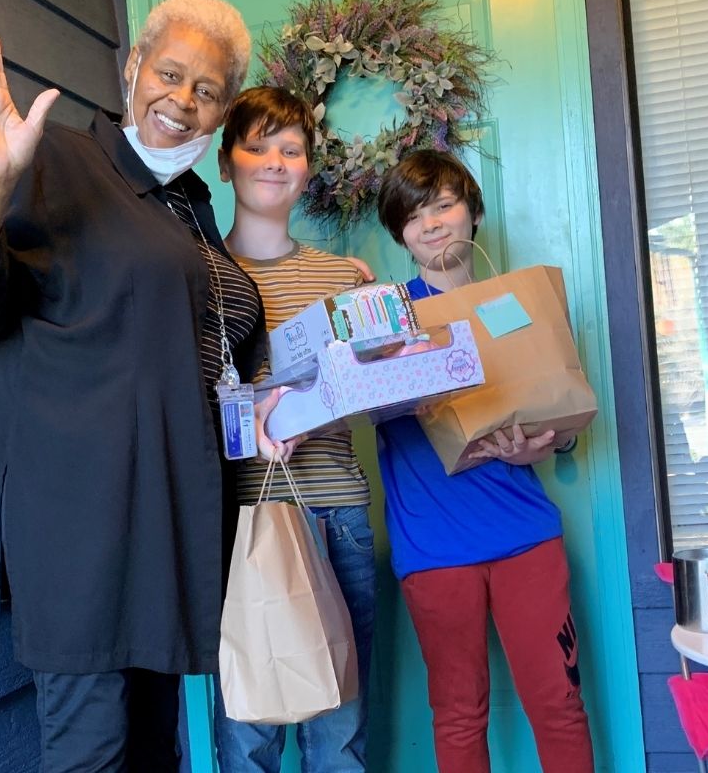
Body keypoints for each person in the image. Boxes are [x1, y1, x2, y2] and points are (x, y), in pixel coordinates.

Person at [0, 0, 268, 772]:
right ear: (133, 68)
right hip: (82, 529)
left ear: (223, 110)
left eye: (206, 89)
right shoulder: (59, 162)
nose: (181, 100)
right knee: (93, 753)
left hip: (166, 524)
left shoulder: (190, 204)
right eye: (169, 74)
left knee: (151, 752)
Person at [372, 149, 594, 773]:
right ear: (400, 234)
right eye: (413, 216)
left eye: (443, 205)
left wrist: (549, 444)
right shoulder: (385, 319)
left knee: (558, 705)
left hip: (525, 535)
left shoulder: (522, 304)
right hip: (432, 546)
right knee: (458, 714)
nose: (431, 224)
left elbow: (565, 413)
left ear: (472, 211)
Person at [213, 86, 376, 773]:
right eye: (258, 147)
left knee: (340, 735)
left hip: (339, 516)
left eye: (292, 149)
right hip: (243, 522)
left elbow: (373, 399)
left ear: (308, 168)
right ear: (226, 163)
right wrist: (256, 414)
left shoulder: (343, 278)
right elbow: (178, 401)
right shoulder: (199, 277)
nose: (276, 162)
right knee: (246, 739)